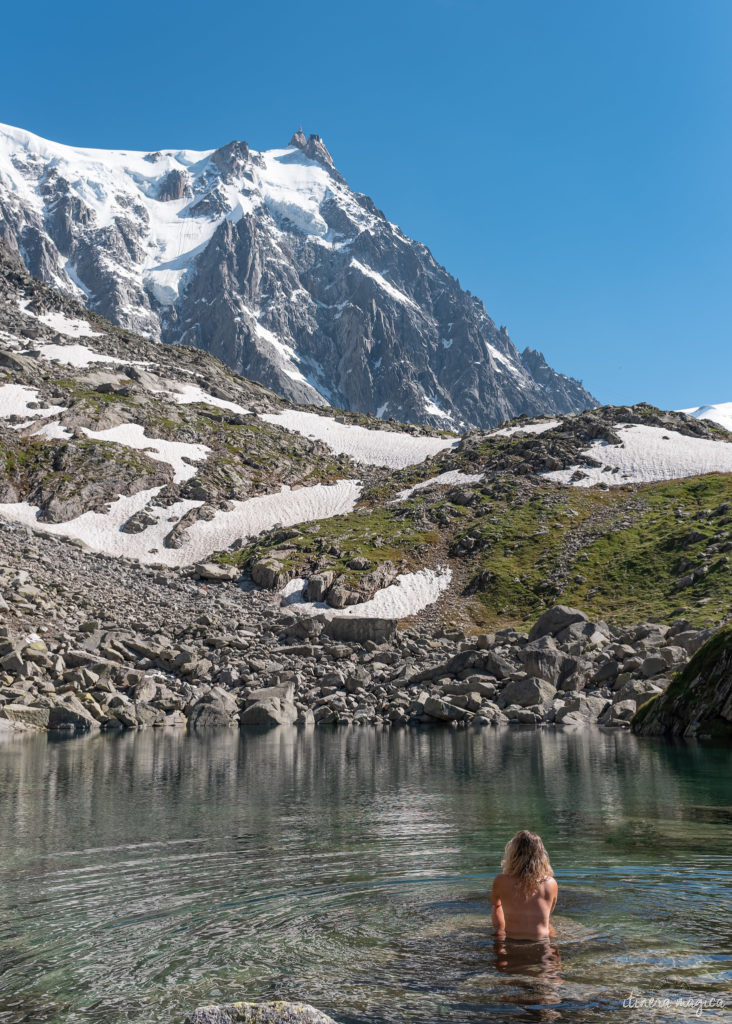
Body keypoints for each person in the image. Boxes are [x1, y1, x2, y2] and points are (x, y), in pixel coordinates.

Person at [490, 830, 558, 940]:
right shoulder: (550, 883)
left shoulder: (500, 880)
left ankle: (500, 932)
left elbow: (495, 903)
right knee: (545, 918)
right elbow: (549, 910)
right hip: (541, 940)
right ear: (541, 856)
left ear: (513, 853)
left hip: (512, 938)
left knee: (497, 906)